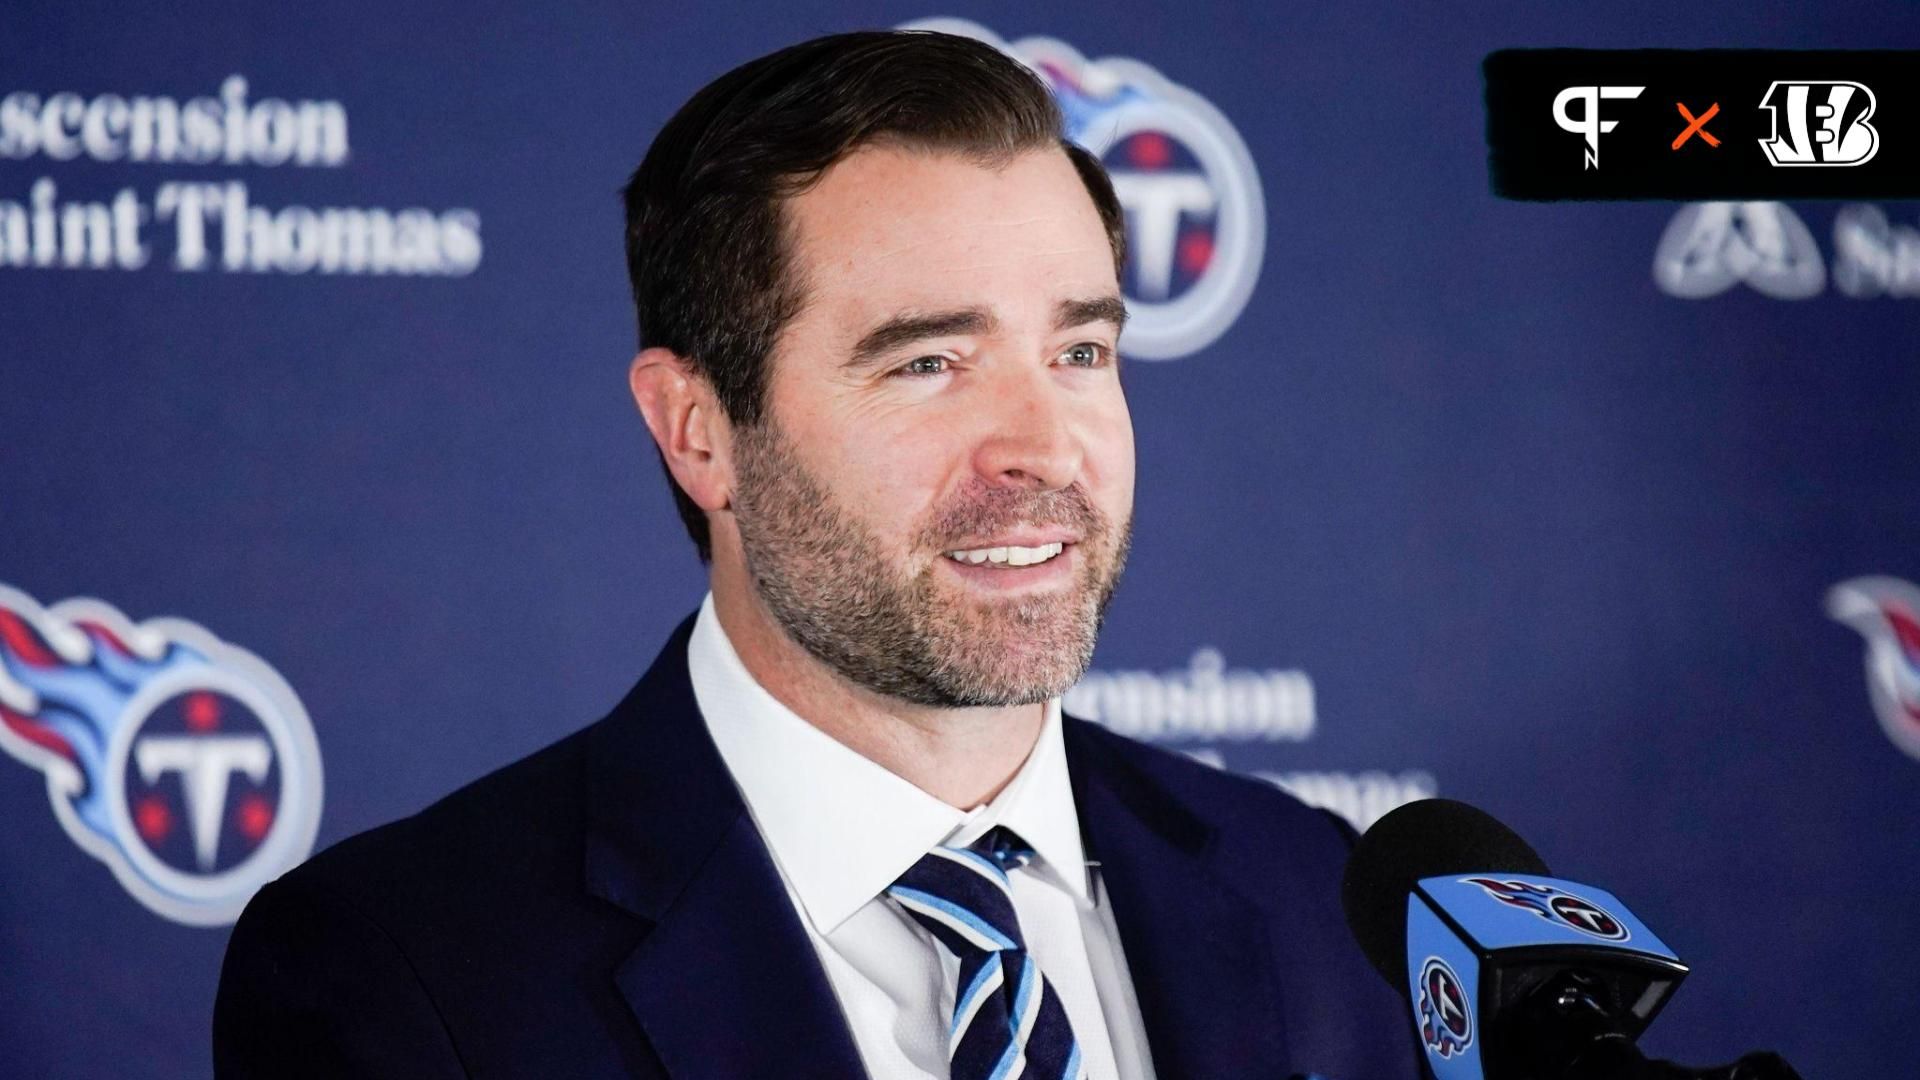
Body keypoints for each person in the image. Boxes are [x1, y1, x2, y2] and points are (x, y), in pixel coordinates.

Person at [212, 30, 1420, 1079]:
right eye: (927, 363)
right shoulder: (411, 970)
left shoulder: (1316, 894)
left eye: (1082, 353)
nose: (1045, 447)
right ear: (699, 433)